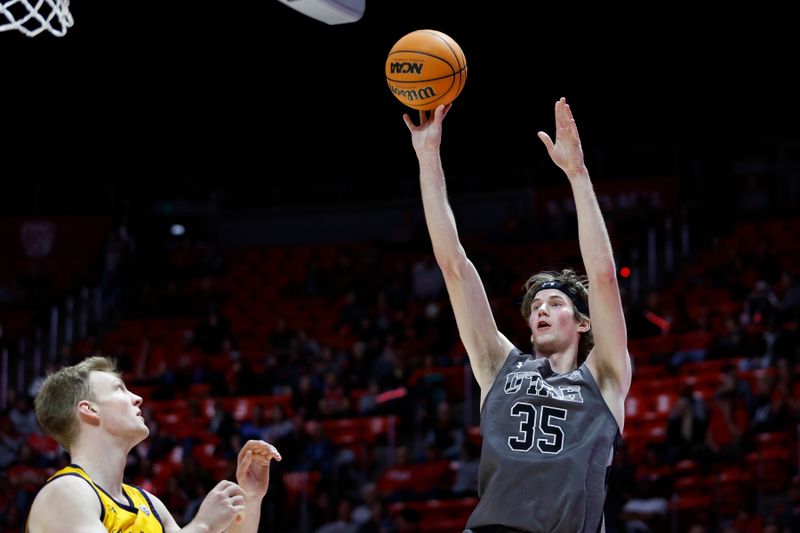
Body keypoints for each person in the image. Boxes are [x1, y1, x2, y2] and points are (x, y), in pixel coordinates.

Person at [403, 97, 631, 532]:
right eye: (535, 307)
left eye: (556, 303)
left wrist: (577, 174)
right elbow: (454, 266)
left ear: (584, 323)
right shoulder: (498, 365)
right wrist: (427, 156)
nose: (541, 309)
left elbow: (602, 277)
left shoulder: (604, 377)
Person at [25, 355, 282, 533]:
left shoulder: (148, 504)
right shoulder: (65, 493)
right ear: (90, 409)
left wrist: (250, 498)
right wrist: (202, 526)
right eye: (119, 389)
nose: (137, 398)